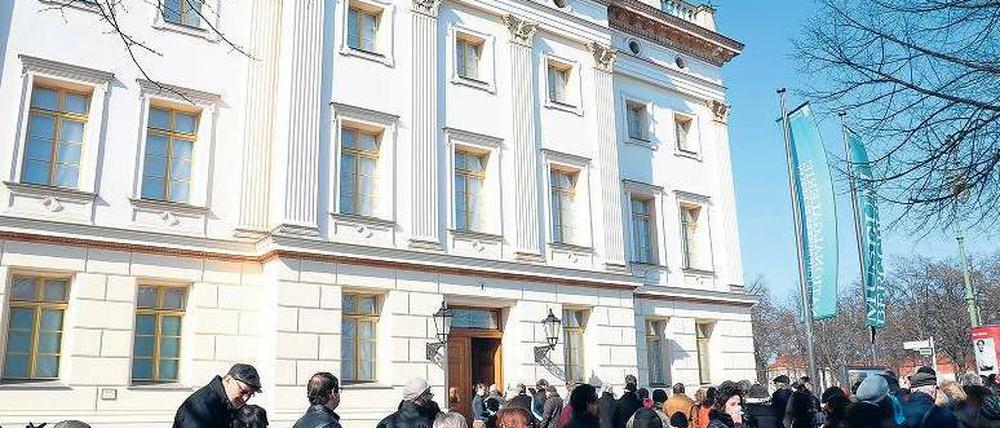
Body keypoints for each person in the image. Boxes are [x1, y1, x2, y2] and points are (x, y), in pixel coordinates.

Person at [173, 363, 261, 428]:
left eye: (251, 394)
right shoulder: (199, 408)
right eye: (243, 391)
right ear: (228, 380)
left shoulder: (231, 405)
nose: (245, 398)